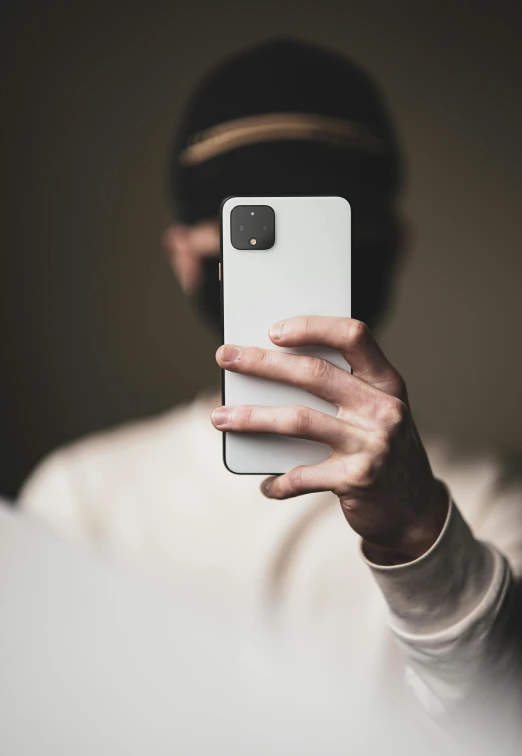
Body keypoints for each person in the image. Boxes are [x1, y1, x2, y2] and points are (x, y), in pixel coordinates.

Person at [19, 39, 522, 718]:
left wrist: (419, 537)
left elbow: (502, 732)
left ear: (390, 249)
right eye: (251, 233)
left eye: (325, 228)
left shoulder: (485, 504)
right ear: (185, 260)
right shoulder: (78, 504)